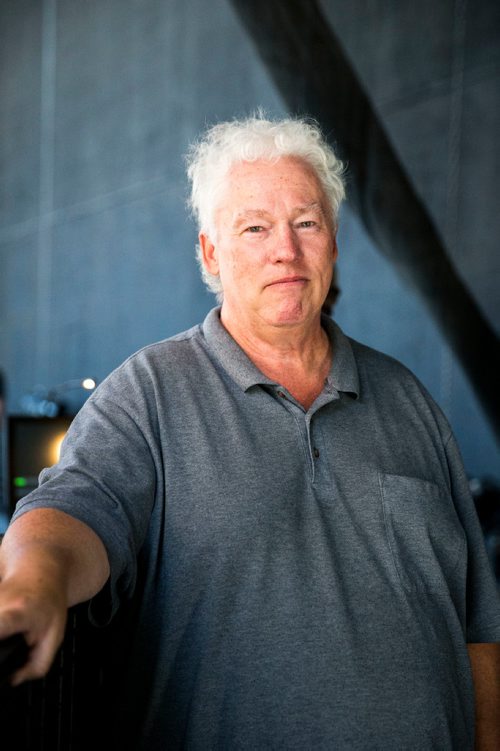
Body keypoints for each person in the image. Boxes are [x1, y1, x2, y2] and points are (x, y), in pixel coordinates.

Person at [1, 114, 500, 750]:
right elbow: (70, 512)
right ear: (211, 251)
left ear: (334, 242)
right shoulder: (149, 391)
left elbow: (478, 626)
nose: (284, 250)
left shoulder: (409, 400)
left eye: (306, 222)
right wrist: (32, 583)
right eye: (255, 227)